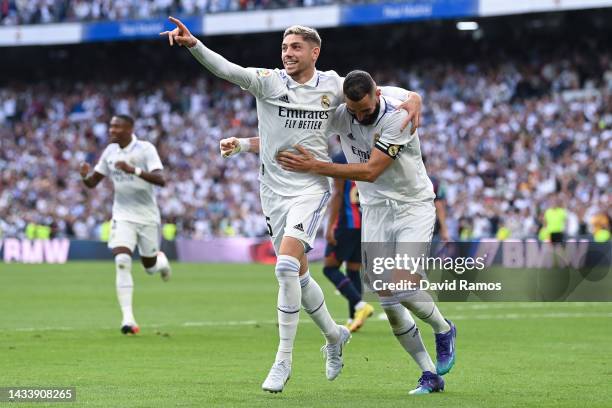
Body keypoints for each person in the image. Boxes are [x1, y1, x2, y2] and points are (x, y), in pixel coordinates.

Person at [161, 17, 423, 393]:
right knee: (298, 274)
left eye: (295, 47)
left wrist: (414, 97)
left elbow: (381, 91)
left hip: (311, 188)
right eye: (284, 48)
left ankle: (282, 361)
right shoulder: (268, 82)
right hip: (272, 190)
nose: (287, 54)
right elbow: (228, 70)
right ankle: (334, 336)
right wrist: (195, 47)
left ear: (314, 52)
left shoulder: (333, 85)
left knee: (284, 266)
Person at [277, 70, 457, 395]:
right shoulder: (344, 111)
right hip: (374, 211)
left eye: (365, 110)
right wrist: (250, 145)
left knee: (401, 286)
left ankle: (443, 329)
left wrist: (316, 166)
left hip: (412, 207)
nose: (359, 117)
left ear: (376, 94)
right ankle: (429, 374)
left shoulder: (396, 117)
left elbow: (371, 171)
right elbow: (296, 134)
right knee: (387, 300)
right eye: (354, 111)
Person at [79, 114, 172, 335]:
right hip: (122, 215)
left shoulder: (145, 149)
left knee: (149, 268)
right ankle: (128, 319)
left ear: (129, 128)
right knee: (122, 260)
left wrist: (134, 170)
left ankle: (161, 262)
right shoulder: (110, 152)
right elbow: (94, 182)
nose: (112, 130)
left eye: (117, 126)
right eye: (111, 126)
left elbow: (161, 180)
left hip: (147, 216)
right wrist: (84, 176)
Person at [323, 151, 373, 333]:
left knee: (329, 268)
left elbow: (337, 194)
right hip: (366, 223)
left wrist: (329, 227)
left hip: (346, 222)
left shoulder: (340, 159)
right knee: (353, 270)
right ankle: (354, 318)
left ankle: (360, 305)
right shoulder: (365, 154)